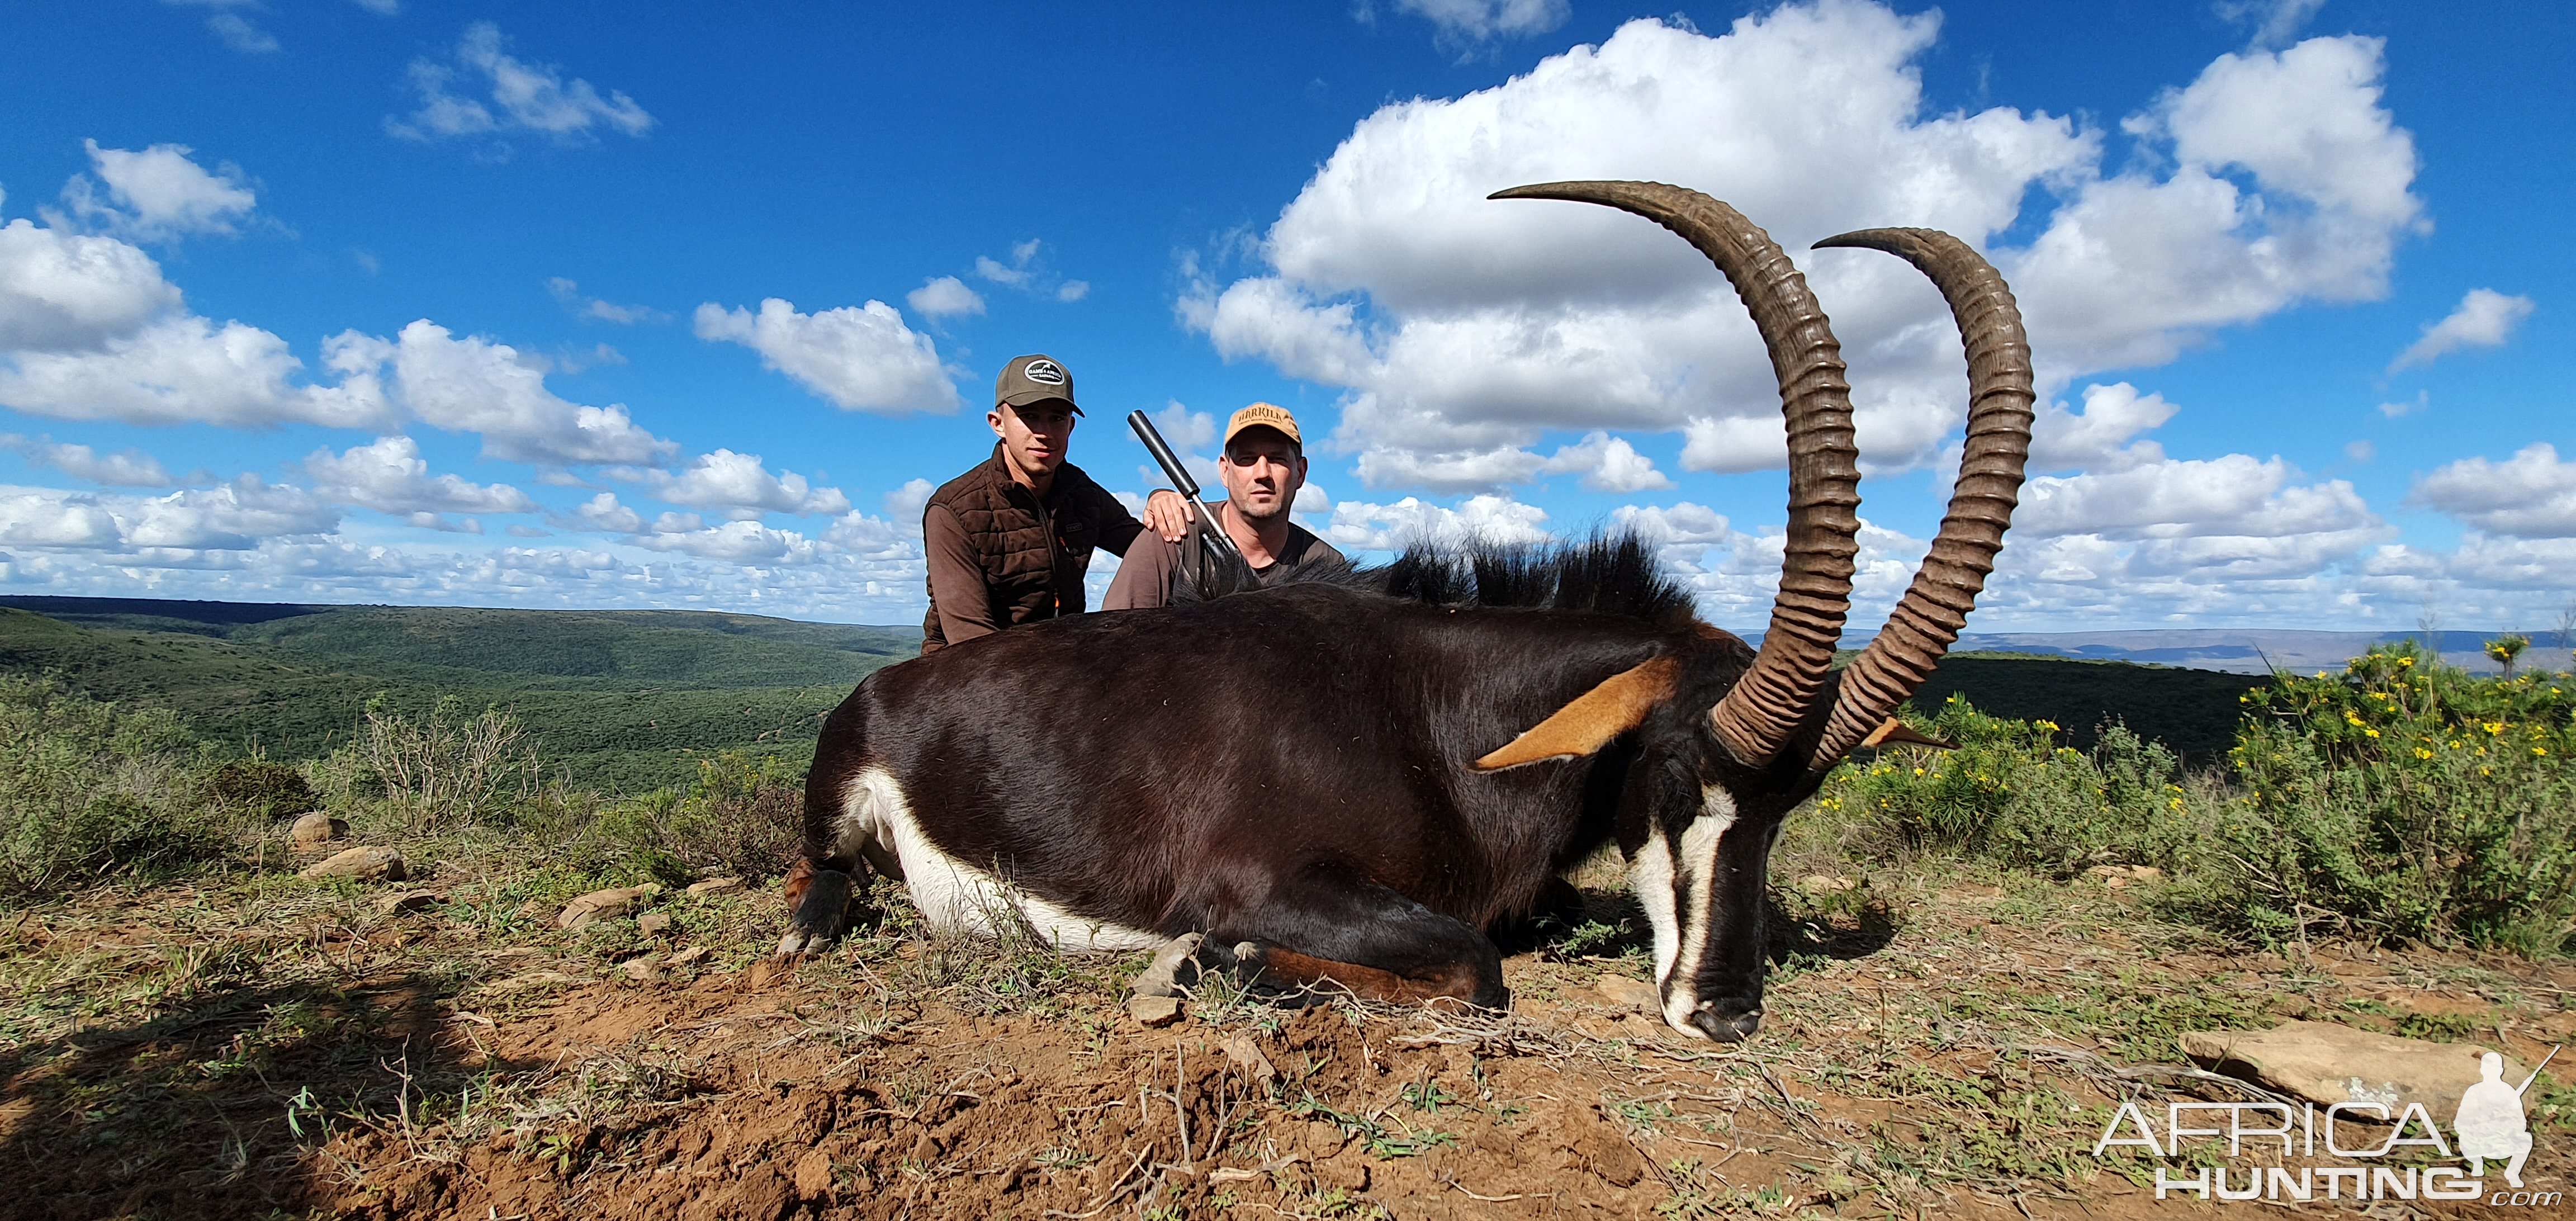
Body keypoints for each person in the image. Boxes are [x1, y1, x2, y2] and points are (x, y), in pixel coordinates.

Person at [919, 354, 1186, 653]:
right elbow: (970, 638)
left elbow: (1148, 549)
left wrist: (1161, 499)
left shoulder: (1082, 493)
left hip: (1057, 663)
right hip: (962, 671)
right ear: (998, 424)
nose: (1044, 433)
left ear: (1070, 426)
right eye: (1029, 416)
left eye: (1056, 418)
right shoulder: (953, 510)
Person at [1103, 403, 1344, 610]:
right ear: (1225, 471)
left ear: (1300, 473)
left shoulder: (1327, 566)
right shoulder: (1174, 533)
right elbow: (1111, 639)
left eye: (1277, 459)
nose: (1262, 473)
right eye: (1247, 459)